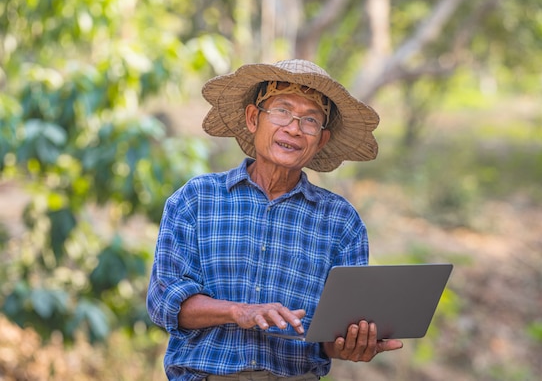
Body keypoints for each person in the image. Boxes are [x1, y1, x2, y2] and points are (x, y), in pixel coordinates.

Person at [146, 59, 403, 381]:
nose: (294, 129)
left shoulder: (341, 221)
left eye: (310, 121)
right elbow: (164, 303)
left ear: (321, 140)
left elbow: (330, 338)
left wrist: (352, 344)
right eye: (282, 111)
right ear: (253, 118)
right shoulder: (197, 199)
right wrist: (239, 312)